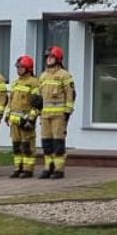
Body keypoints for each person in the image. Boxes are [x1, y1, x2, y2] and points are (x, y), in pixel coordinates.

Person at [37, 46, 76, 179]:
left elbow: (70, 95)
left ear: (58, 59)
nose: (48, 59)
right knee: (46, 142)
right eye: (47, 57)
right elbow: (39, 96)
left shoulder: (65, 75)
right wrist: (37, 107)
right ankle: (48, 167)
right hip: (45, 116)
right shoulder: (43, 76)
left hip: (59, 116)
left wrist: (67, 113)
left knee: (58, 142)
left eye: (51, 57)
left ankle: (59, 169)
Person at [6, 55, 42, 178]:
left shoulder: (34, 83)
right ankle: (18, 168)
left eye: (21, 67)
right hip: (14, 120)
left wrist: (31, 119)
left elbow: (37, 103)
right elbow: (11, 101)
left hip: (25, 120)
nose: (19, 70)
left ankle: (28, 169)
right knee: (16, 145)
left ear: (28, 68)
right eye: (18, 67)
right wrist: (7, 115)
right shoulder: (16, 82)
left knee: (27, 146)